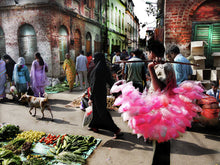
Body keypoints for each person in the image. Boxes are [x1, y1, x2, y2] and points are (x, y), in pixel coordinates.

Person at [147, 40, 177, 165]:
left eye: (148, 52)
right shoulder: (165, 65)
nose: (148, 55)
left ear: (152, 53)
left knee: (160, 147)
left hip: (161, 112)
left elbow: (159, 89)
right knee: (161, 146)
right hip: (164, 110)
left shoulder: (162, 67)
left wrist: (150, 69)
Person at [88, 52, 122, 139]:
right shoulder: (104, 67)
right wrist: (115, 92)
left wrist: (91, 97)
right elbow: (110, 81)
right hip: (101, 92)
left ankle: (116, 130)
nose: (94, 60)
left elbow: (94, 84)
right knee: (96, 110)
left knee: (102, 112)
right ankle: (94, 126)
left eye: (95, 58)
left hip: (97, 93)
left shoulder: (98, 69)